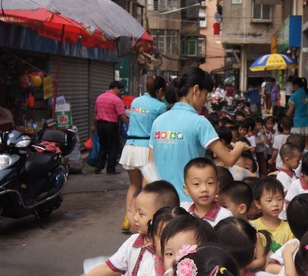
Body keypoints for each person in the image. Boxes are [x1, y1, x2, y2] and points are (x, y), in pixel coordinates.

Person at [148, 67, 249, 209]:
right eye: (206, 93)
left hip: (158, 202)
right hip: (188, 200)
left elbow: (149, 164)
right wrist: (239, 146)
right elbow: (229, 159)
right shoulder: (199, 122)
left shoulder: (159, 121)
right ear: (196, 90)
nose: (206, 99)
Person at [119, 76, 167, 231]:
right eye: (163, 93)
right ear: (160, 90)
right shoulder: (160, 106)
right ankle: (147, 220)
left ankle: (129, 218)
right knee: (148, 187)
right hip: (147, 148)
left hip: (130, 146)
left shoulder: (135, 102)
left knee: (133, 184)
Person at [183, 157, 232, 227]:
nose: (204, 189)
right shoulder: (184, 216)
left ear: (217, 187)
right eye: (197, 184)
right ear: (186, 189)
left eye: (210, 183)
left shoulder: (225, 217)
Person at [93, 80, 129, 175]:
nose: (119, 93)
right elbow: (122, 116)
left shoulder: (99, 98)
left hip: (100, 125)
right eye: (119, 90)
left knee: (103, 146)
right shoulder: (117, 100)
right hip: (111, 125)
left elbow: (95, 113)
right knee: (114, 147)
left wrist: (93, 125)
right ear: (115, 88)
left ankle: (99, 167)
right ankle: (110, 169)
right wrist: (130, 125)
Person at [251, 178, 294, 253]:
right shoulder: (251, 226)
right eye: (269, 200)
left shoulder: (289, 228)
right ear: (258, 204)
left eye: (279, 199)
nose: (275, 204)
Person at [287, 77, 308, 151]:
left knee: (298, 143)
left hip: (298, 122)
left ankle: (301, 160)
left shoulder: (294, 96)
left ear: (296, 85)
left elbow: (290, 111)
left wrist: (285, 117)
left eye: (292, 85)